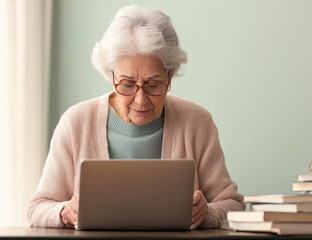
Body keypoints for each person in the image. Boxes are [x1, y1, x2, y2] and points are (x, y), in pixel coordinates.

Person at [27, 5, 245, 229]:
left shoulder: (197, 123)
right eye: (128, 84)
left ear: (170, 76)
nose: (141, 100)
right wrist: (65, 212)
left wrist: (208, 213)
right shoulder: (76, 123)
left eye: (154, 85)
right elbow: (37, 209)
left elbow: (234, 206)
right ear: (111, 75)